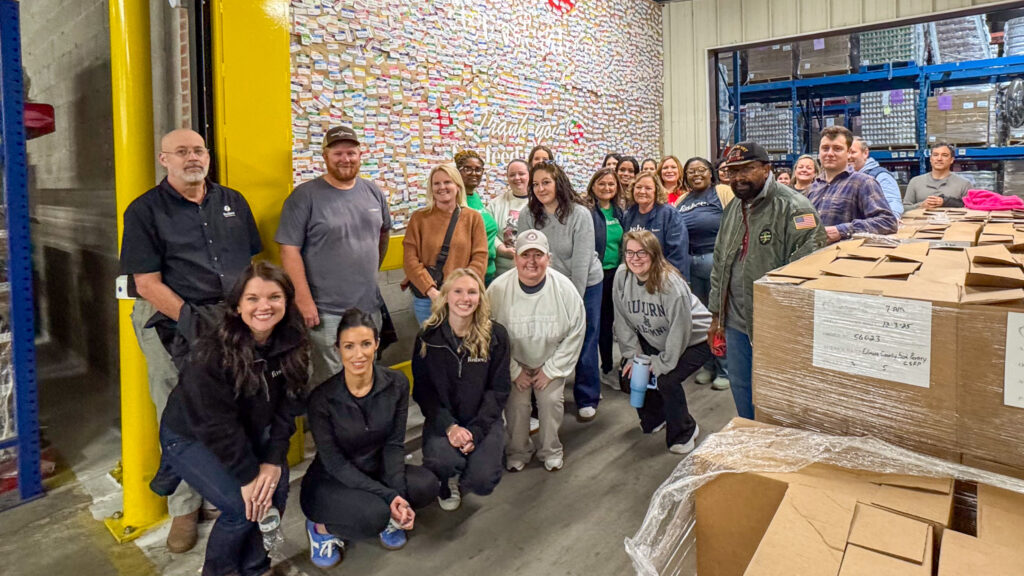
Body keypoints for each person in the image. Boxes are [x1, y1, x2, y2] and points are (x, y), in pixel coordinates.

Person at [120, 128, 262, 552]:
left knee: (227, 405)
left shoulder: (233, 202)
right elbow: (146, 283)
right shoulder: (144, 210)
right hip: (170, 317)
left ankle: (220, 489)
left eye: (198, 150)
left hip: (229, 317)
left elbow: (249, 263)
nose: (192, 158)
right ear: (164, 159)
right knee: (178, 412)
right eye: (181, 151)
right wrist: (192, 322)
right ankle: (183, 507)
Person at [150, 261, 310, 575]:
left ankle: (255, 568)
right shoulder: (212, 350)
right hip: (191, 435)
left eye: (274, 297)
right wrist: (248, 476)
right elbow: (215, 425)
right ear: (237, 306)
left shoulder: (292, 339)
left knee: (275, 492)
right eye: (253, 298)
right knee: (241, 507)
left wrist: (273, 460)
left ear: (287, 302)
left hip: (250, 429)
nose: (264, 306)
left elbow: (289, 405)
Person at [300, 309, 439, 568]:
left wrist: (397, 496)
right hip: (333, 480)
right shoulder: (322, 399)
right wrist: (388, 497)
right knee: (375, 516)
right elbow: (335, 463)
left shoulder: (396, 383)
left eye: (365, 344)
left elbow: (394, 445)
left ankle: (389, 515)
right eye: (349, 346)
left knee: (427, 485)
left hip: (376, 469)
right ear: (338, 349)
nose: (358, 354)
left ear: (376, 344)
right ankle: (321, 528)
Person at [709, 141, 826, 419]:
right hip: (736, 322)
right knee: (742, 388)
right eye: (732, 171)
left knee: (779, 394)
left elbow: (810, 266)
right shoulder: (733, 208)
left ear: (766, 169)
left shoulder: (796, 208)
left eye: (746, 169)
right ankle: (751, 436)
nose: (738, 177)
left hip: (775, 324)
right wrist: (716, 315)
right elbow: (719, 263)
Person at [276, 125, 391, 387]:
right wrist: (303, 299)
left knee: (366, 376)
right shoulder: (304, 197)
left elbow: (382, 234)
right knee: (329, 383)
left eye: (351, 153)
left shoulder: (373, 192)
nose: (345, 159)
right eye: (338, 153)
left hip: (368, 308)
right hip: (325, 312)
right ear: (325, 156)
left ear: (360, 155)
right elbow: (288, 250)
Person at [412, 268, 511, 511]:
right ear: (446, 296)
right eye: (457, 291)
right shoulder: (428, 336)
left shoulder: (496, 336)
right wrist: (450, 427)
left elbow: (498, 390)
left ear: (480, 298)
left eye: (472, 292)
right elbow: (424, 391)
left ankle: (476, 460)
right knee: (441, 462)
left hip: (482, 419)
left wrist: (475, 432)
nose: (465, 298)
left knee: (483, 480)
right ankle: (448, 478)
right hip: (444, 420)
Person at [488, 229, 585, 472]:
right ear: (515, 258)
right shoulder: (497, 290)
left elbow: (576, 331)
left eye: (538, 255)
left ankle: (551, 449)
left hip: (549, 360)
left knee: (550, 402)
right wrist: (513, 370)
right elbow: (488, 335)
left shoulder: (565, 289)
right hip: (513, 362)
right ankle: (518, 450)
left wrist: (551, 370)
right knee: (516, 406)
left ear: (548, 259)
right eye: (525, 255)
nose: (531, 261)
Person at [517, 161, 604, 422]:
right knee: (544, 340)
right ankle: (542, 396)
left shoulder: (580, 214)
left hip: (584, 283)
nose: (541, 188)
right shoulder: (528, 215)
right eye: (535, 184)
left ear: (559, 184)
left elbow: (581, 262)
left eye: (546, 182)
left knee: (585, 337)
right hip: (546, 285)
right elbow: (526, 256)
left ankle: (587, 396)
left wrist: (573, 305)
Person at [614, 230, 712, 454]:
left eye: (642, 252)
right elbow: (622, 319)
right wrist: (633, 356)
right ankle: (656, 417)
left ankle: (685, 430)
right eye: (629, 252)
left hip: (696, 339)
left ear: (654, 254)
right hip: (658, 337)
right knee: (630, 375)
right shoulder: (622, 276)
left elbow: (681, 330)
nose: (635, 258)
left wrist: (660, 364)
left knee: (666, 379)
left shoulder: (670, 284)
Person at [403, 163, 488, 324]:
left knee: (463, 338)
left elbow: (480, 257)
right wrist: (431, 291)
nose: (442, 187)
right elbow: (410, 260)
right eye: (436, 183)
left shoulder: (473, 218)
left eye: (447, 182)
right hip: (428, 299)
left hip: (463, 298)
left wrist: (460, 290)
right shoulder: (419, 218)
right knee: (431, 339)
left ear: (458, 186)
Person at [675, 157, 731, 391]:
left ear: (710, 173)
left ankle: (725, 368)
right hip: (691, 262)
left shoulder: (722, 192)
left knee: (720, 316)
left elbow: (737, 223)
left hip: (716, 260)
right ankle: (708, 364)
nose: (696, 174)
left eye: (701, 170)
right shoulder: (682, 200)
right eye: (691, 171)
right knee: (702, 318)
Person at [807, 126, 898, 243]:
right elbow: (806, 224)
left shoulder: (863, 183)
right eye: (825, 148)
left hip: (843, 253)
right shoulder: (813, 187)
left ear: (848, 152)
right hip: (814, 253)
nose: (830, 153)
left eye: (837, 149)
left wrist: (842, 231)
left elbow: (888, 222)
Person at [584, 168, 625, 380]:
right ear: (593, 186)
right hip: (594, 276)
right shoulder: (587, 212)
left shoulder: (620, 212)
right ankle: (591, 371)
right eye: (601, 183)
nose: (606, 188)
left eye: (611, 184)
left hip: (616, 274)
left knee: (611, 322)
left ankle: (608, 368)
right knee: (595, 324)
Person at [621, 171, 691, 281]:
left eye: (648, 188)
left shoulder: (669, 214)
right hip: (635, 276)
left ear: (656, 191)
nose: (642, 191)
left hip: (662, 277)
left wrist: (668, 279)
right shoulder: (629, 215)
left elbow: (677, 253)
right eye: (638, 187)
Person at [455, 150, 500, 283]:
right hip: (468, 275)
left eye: (478, 169)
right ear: (457, 172)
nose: (474, 173)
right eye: (467, 169)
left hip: (488, 272)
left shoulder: (475, 197)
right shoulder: (454, 201)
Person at [489, 159, 531, 278]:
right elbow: (489, 233)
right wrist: (501, 249)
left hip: (532, 270)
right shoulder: (495, 204)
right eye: (512, 175)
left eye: (521, 174)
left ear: (530, 175)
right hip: (502, 272)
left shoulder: (540, 203)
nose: (517, 178)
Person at [904, 142, 970, 211]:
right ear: (930, 159)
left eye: (944, 155)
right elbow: (904, 208)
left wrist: (947, 203)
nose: (939, 158)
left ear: (951, 160)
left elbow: (971, 209)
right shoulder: (915, 182)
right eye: (935, 155)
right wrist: (921, 206)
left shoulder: (964, 184)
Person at [849, 137, 904, 218]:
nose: (848, 157)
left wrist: (892, 219)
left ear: (865, 153)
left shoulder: (880, 176)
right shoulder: (843, 177)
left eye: (853, 152)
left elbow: (893, 204)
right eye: (846, 152)